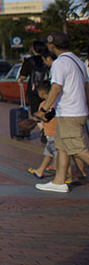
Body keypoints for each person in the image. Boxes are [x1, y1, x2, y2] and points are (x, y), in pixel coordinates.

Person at [36, 31, 89, 193]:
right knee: (62, 146)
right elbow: (86, 86)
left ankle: (59, 181)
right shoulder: (77, 60)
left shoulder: (60, 63)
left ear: (52, 46)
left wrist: (44, 109)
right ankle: (59, 181)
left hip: (69, 113)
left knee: (78, 149)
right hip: (76, 110)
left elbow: (56, 88)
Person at [19, 41, 49, 111]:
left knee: (35, 111)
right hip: (46, 88)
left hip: (33, 90)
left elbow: (23, 76)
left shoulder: (28, 61)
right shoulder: (47, 59)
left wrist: (20, 81)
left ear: (33, 49)